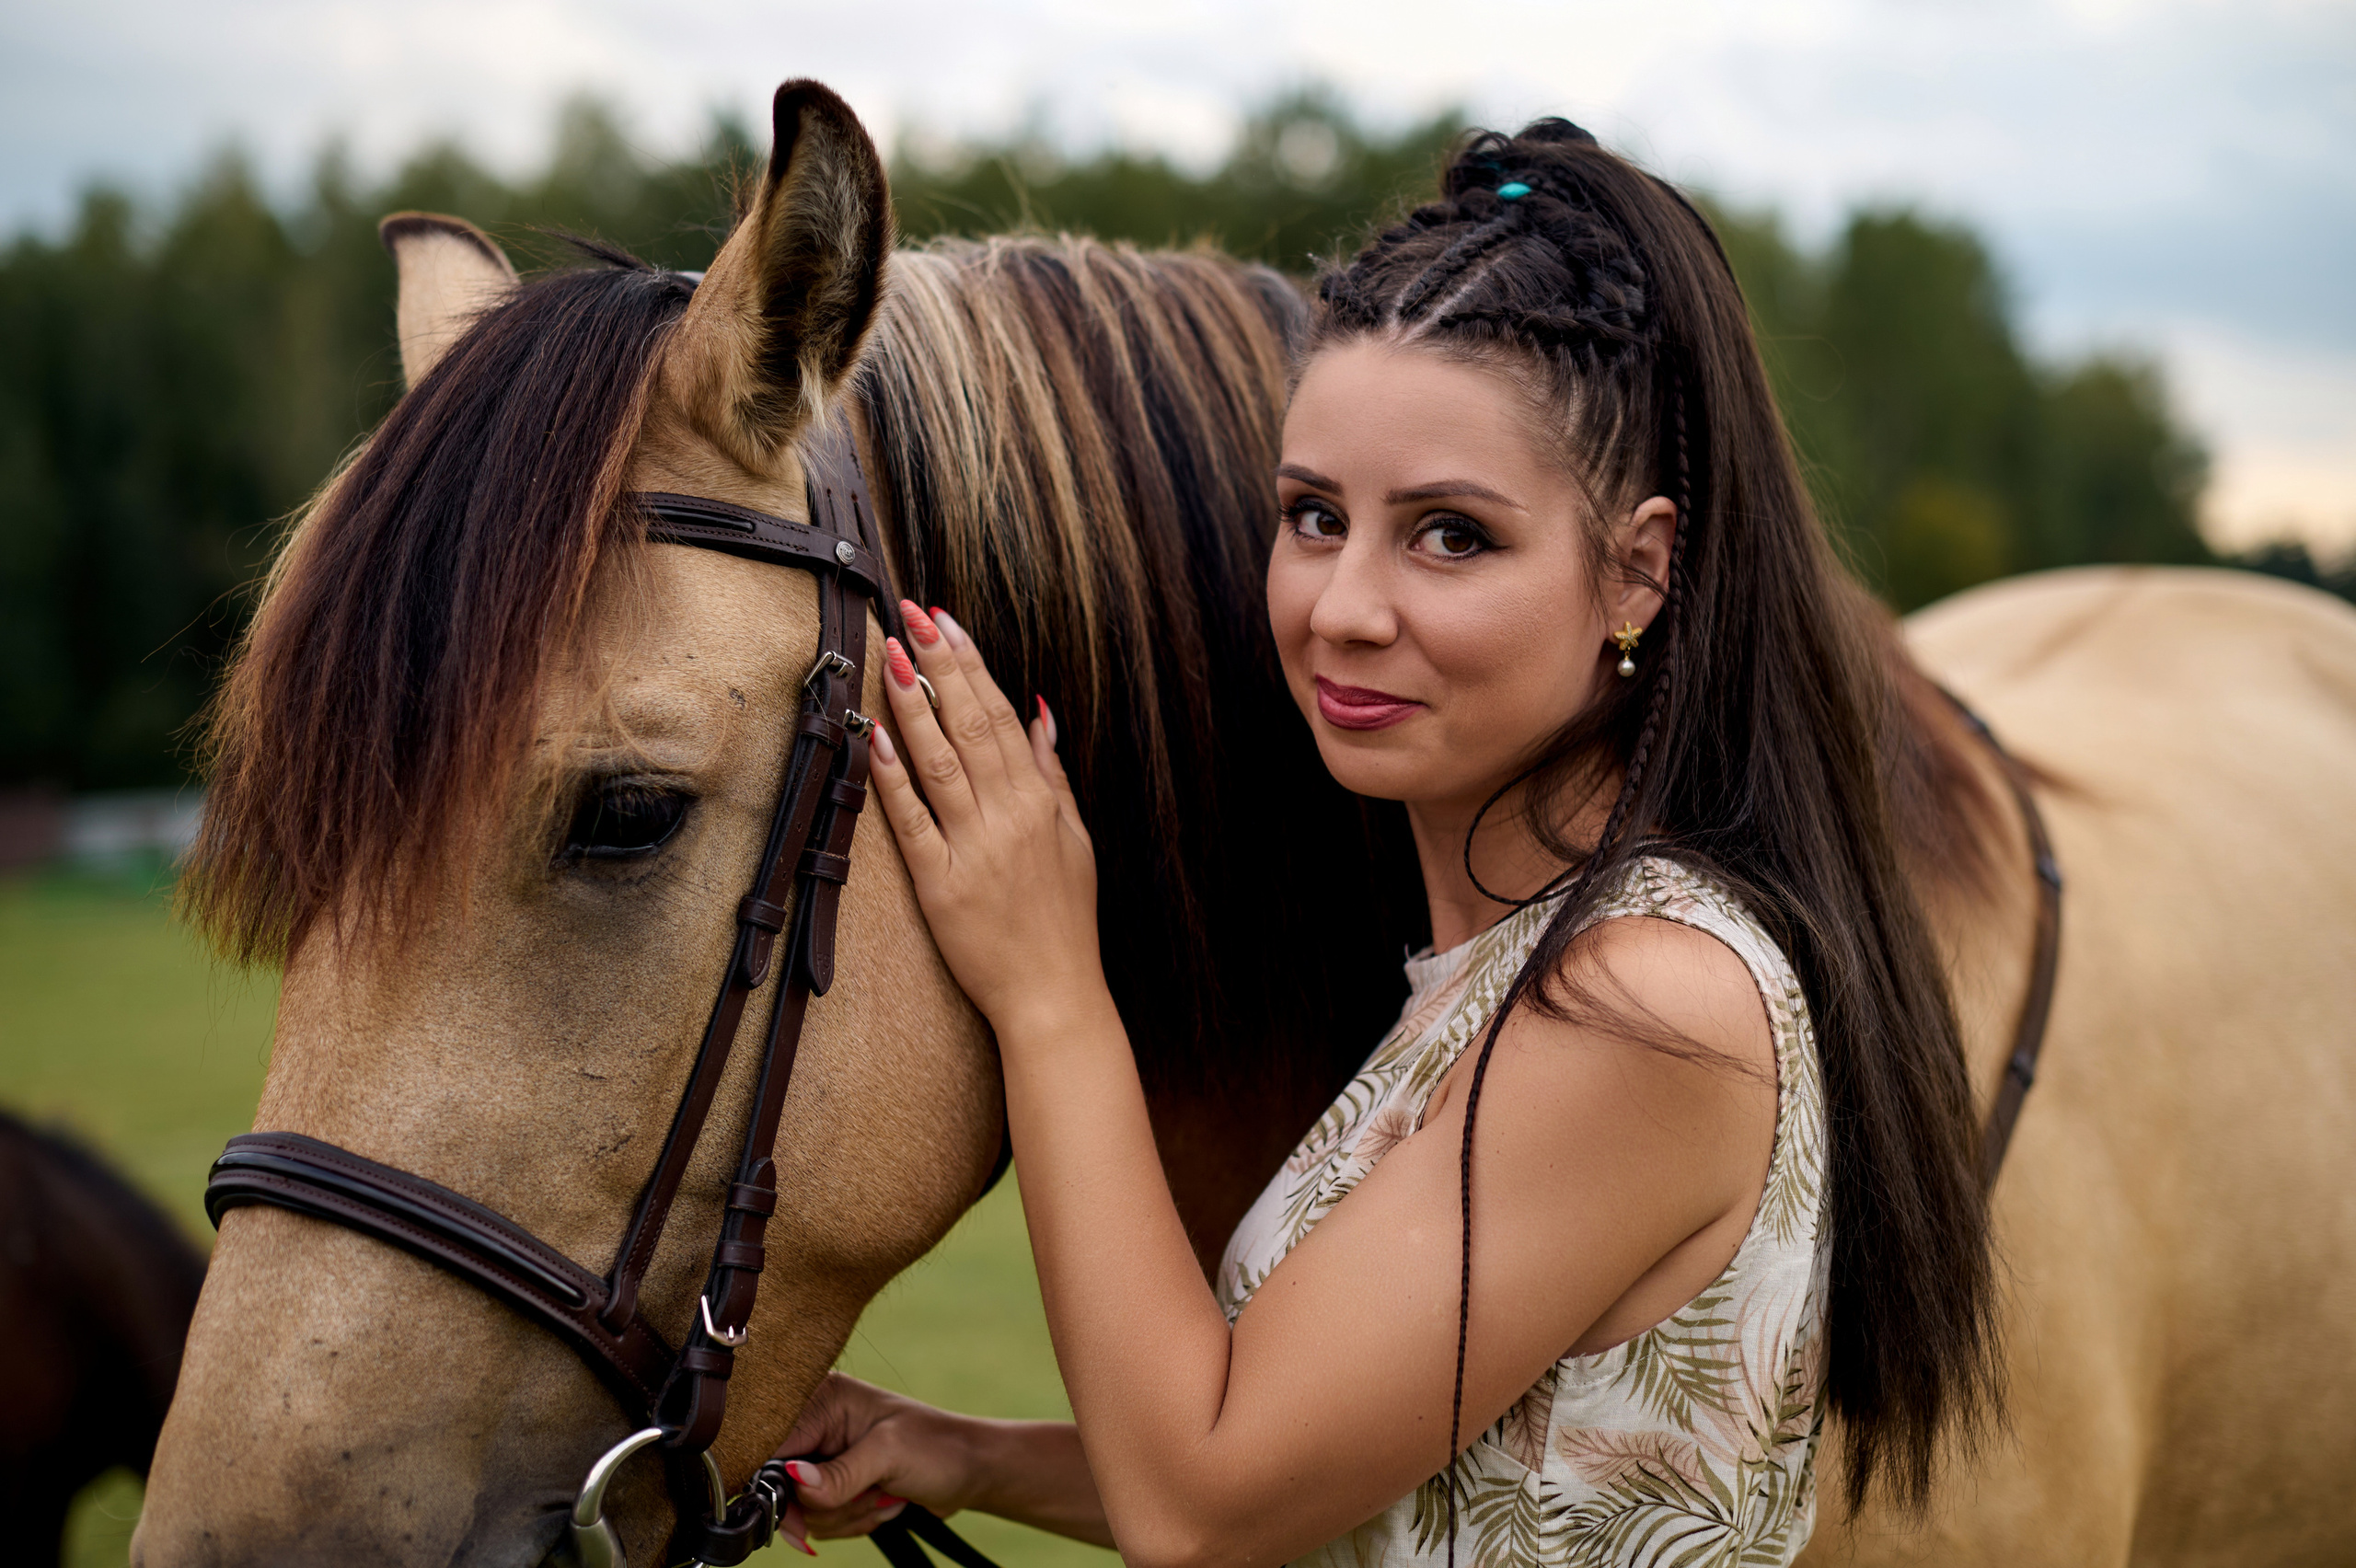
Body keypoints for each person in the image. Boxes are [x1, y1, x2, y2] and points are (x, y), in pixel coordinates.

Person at [771, 120, 2000, 1566]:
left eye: (1452, 537)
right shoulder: (1507, 963)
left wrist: (1050, 987)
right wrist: (956, 1450)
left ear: (1639, 573)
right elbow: (1353, 1465)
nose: (1343, 606)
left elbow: (1203, 1500)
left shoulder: (1652, 1006)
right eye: (1313, 517)